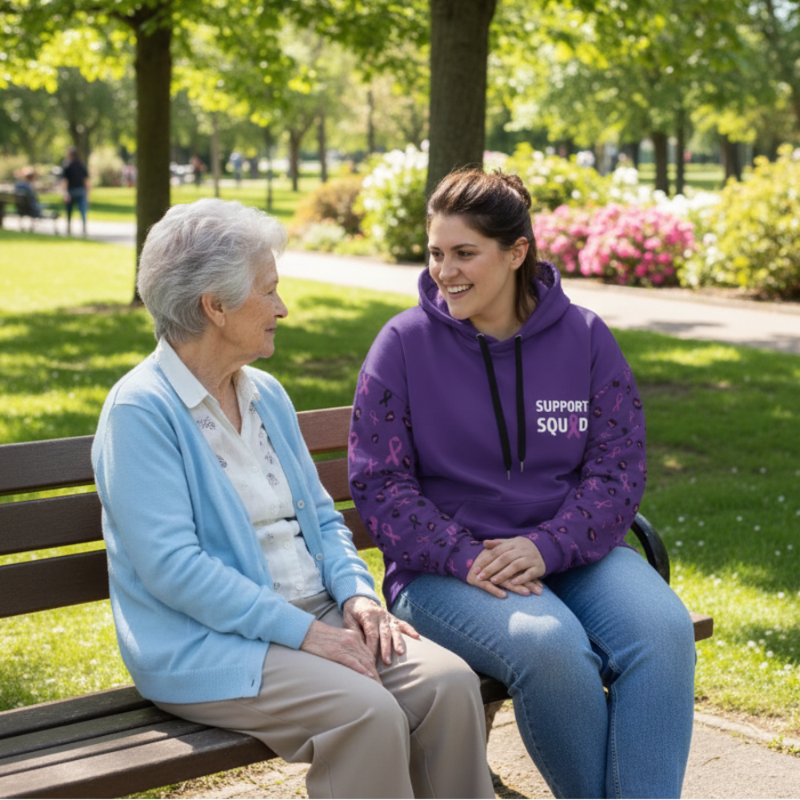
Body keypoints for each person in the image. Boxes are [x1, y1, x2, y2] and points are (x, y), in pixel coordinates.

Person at [91, 198, 495, 800]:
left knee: (450, 685)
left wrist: (357, 596)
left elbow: (323, 519)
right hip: (209, 644)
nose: (282, 308)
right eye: (269, 291)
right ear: (215, 306)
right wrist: (304, 634)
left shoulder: (265, 394)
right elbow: (173, 570)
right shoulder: (141, 411)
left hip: (316, 613)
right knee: (366, 713)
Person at [348, 169, 697, 800]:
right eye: (434, 253)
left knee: (663, 630)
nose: (442, 271)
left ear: (516, 252)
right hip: (445, 572)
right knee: (551, 645)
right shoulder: (402, 344)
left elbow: (619, 468)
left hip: (571, 554)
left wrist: (549, 544)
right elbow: (380, 485)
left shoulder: (583, 336)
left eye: (463, 253)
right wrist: (465, 554)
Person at [60, 146, 90, 236]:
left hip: (71, 191)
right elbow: (86, 181)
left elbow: (65, 181)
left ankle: (69, 228)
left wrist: (65, 193)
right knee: (83, 211)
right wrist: (88, 193)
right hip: (81, 190)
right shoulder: (82, 165)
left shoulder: (67, 166)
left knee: (69, 210)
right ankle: (84, 228)